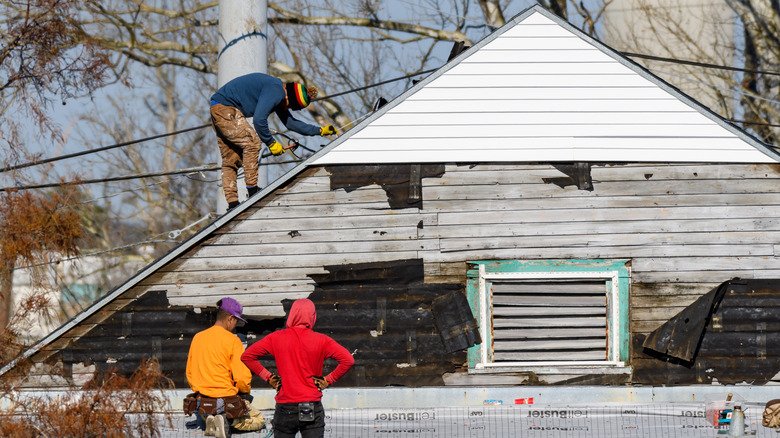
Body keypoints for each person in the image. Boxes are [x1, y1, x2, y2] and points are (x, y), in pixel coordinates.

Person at [210, 73, 339, 210]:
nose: (287, 109)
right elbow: (259, 120)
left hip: (217, 107)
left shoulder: (277, 92)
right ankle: (253, 190)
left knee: (231, 159)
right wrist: (271, 143)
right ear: (289, 97)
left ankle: (233, 203)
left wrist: (319, 131)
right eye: (290, 106)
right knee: (252, 143)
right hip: (227, 108)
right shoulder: (276, 91)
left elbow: (291, 124)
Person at [241, 298, 354, 438]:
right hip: (312, 405)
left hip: (285, 407)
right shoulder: (322, 340)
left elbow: (247, 356)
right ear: (313, 316)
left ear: (292, 315)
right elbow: (348, 360)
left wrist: (269, 377)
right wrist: (328, 379)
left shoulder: (276, 337)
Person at [186, 297, 253, 438]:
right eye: (236, 321)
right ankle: (221, 420)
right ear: (230, 318)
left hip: (203, 402)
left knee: (212, 413)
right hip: (226, 401)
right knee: (258, 420)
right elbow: (241, 376)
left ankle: (210, 419)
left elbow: (190, 373)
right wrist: (245, 392)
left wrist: (200, 389)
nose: (236, 325)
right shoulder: (233, 340)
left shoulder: (198, 337)